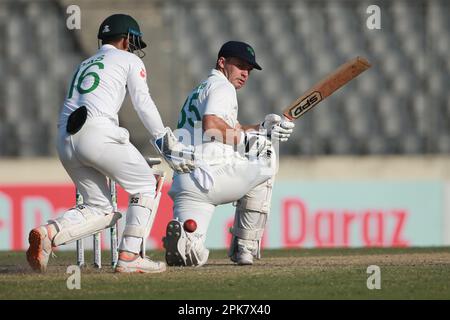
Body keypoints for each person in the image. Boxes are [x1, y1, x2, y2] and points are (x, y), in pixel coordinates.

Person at [26, 14, 194, 273]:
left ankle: (48, 232)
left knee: (100, 209)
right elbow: (142, 102)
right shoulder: (129, 58)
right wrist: (164, 139)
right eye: (133, 41)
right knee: (146, 184)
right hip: (97, 133)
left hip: (66, 138)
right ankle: (129, 256)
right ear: (127, 38)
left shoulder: (84, 63)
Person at [163, 41, 295, 267]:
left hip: (185, 181)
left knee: (192, 254)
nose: (245, 74)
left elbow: (227, 126)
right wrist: (252, 141)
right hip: (212, 175)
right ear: (222, 62)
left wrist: (261, 128)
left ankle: (187, 242)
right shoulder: (223, 87)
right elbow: (212, 125)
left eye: (249, 70)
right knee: (266, 158)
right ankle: (246, 246)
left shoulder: (201, 89)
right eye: (240, 66)